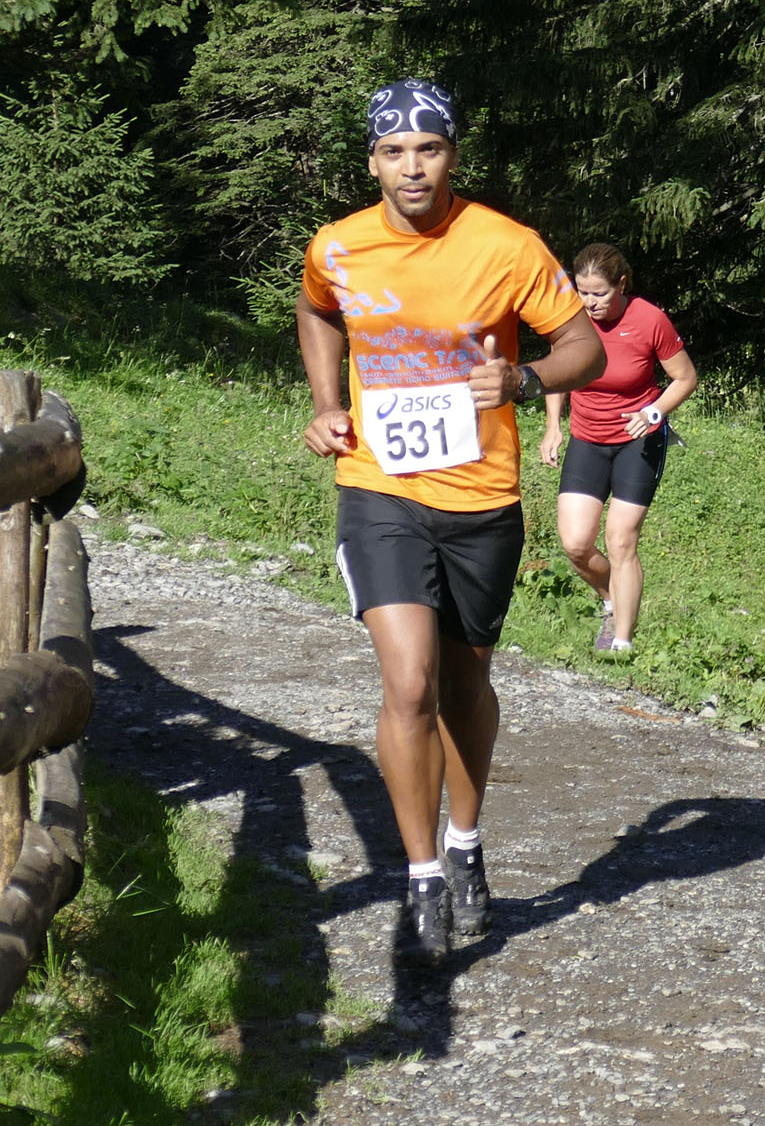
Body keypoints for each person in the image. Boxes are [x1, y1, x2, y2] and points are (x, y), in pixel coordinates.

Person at [298, 79, 605, 965]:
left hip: (481, 498)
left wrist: (522, 380)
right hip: (379, 489)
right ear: (372, 162)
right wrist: (326, 403)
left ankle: (465, 842)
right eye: (393, 152)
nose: (412, 168)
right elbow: (317, 309)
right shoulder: (339, 245)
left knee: (465, 685)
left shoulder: (505, 245)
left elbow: (582, 346)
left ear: (452, 156)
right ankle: (423, 873)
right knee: (409, 683)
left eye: (427, 150)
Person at [537, 243, 697, 655]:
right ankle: (614, 599)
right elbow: (557, 373)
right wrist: (553, 427)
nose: (590, 302)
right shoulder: (571, 319)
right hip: (587, 438)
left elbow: (685, 378)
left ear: (621, 284)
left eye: (600, 293)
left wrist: (654, 412)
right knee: (575, 543)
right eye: (583, 292)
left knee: (621, 539)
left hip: (638, 440)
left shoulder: (649, 319)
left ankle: (621, 642)